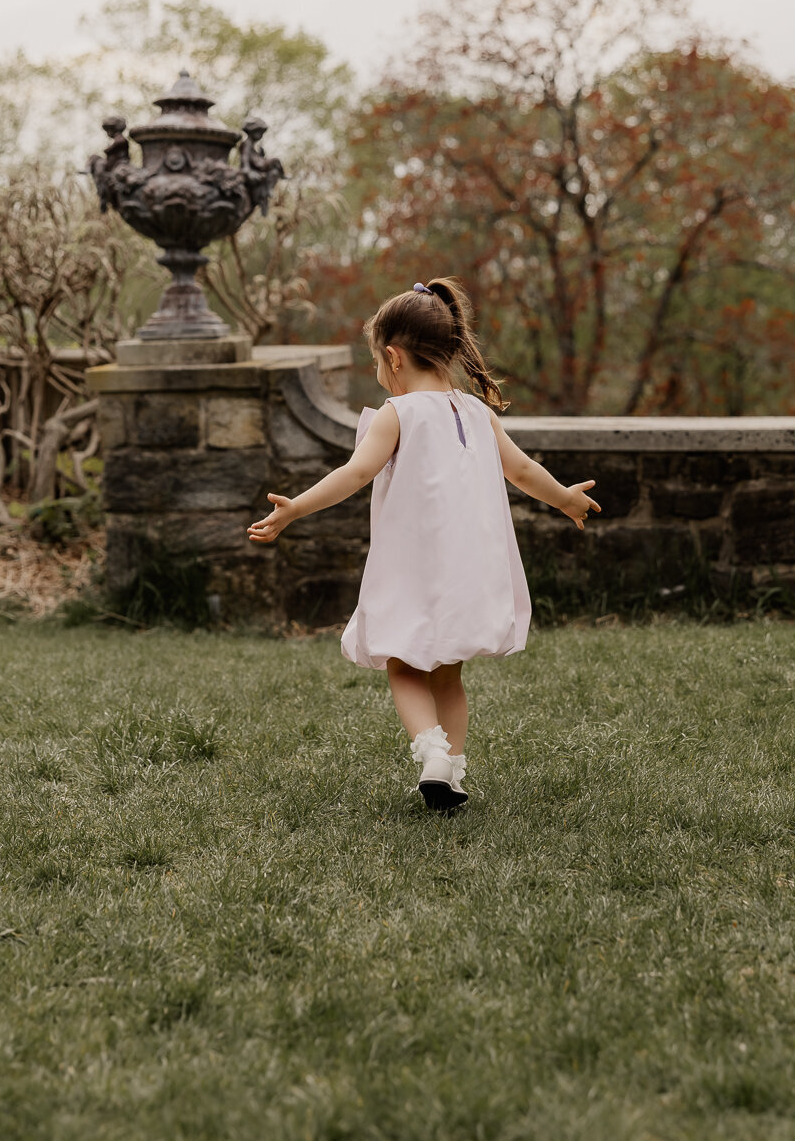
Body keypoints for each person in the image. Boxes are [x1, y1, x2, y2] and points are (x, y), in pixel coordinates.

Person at [247, 279, 600, 812]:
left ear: (393, 356)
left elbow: (355, 472)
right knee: (449, 672)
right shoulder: (478, 413)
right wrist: (565, 500)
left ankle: (432, 752)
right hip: (471, 567)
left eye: (376, 362)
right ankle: (451, 777)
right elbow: (524, 470)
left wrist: (295, 507)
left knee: (402, 664)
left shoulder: (399, 414)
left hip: (414, 566)